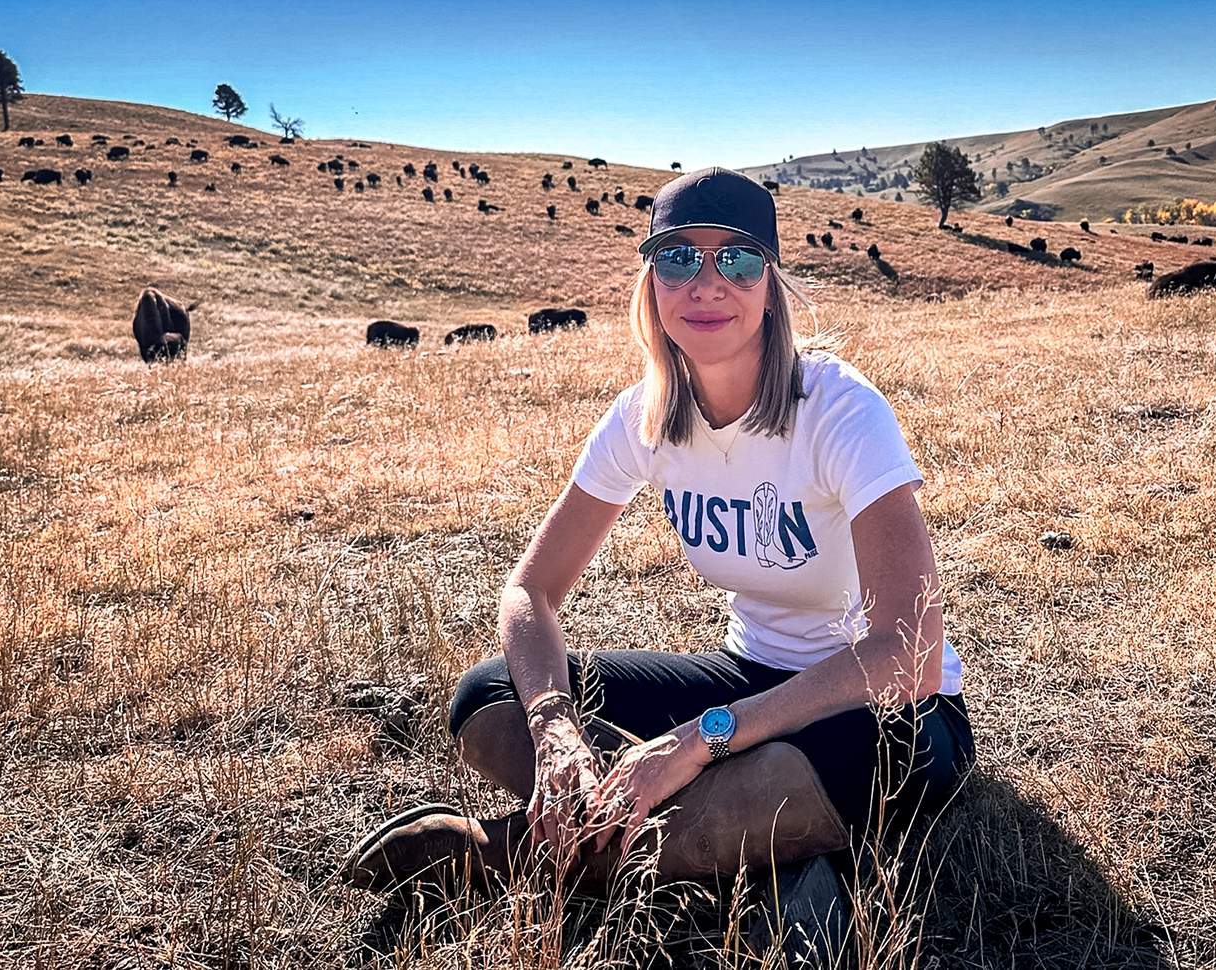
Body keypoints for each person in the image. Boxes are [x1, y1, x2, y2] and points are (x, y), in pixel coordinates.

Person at [343, 167, 975, 951]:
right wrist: (555, 731)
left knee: (805, 769)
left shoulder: (841, 410)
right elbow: (530, 592)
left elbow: (906, 656)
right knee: (489, 700)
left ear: (771, 284)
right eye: (678, 259)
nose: (707, 284)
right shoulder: (644, 417)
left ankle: (504, 856)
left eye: (737, 260)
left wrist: (697, 740)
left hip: (889, 713)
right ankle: (729, 848)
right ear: (652, 283)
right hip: (752, 675)